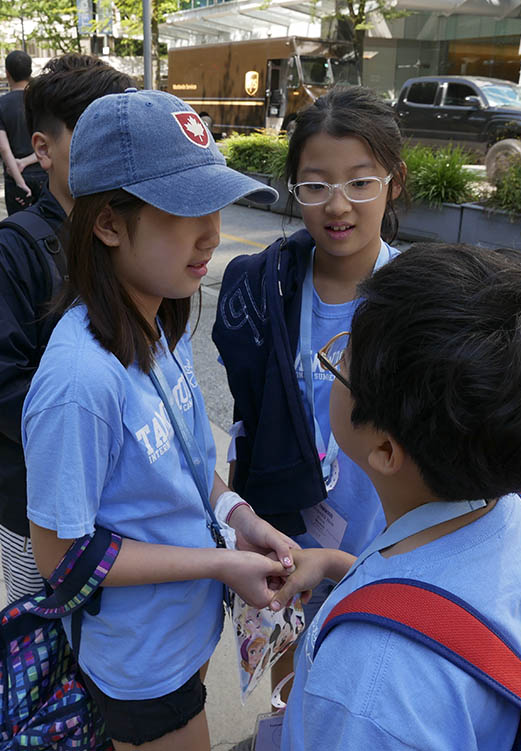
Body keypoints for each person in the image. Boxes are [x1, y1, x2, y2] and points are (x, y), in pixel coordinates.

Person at [271, 243, 521, 749]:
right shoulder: (516, 514)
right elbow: (453, 605)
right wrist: (334, 563)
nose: (336, 359)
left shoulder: (367, 683)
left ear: (385, 448)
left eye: (343, 359)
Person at [23, 90, 295, 750]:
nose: (212, 232)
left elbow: (185, 464)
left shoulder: (160, 323)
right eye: (183, 209)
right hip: (140, 660)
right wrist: (215, 566)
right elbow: (61, 554)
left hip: (183, 626)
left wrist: (240, 518)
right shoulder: (80, 380)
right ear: (109, 224)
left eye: (214, 204)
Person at [212, 86, 406, 693]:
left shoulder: (417, 301)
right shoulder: (265, 287)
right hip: (285, 542)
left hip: (381, 546)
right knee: (291, 698)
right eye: (316, 185)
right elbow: (249, 411)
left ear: (392, 183)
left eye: (360, 182)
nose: (337, 205)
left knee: (363, 692)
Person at [0, 54, 134, 603]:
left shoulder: (130, 234)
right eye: (91, 140)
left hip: (123, 493)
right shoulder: (13, 252)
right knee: (43, 642)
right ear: (42, 148)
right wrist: (95, 437)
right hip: (39, 504)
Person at [0, 50, 46, 214]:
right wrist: (26, 161)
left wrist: (19, 180)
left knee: (20, 231)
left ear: (7, 73)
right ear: (30, 72)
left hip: (15, 179)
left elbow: (4, 148)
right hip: (44, 173)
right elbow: (51, 142)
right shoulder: (41, 101)